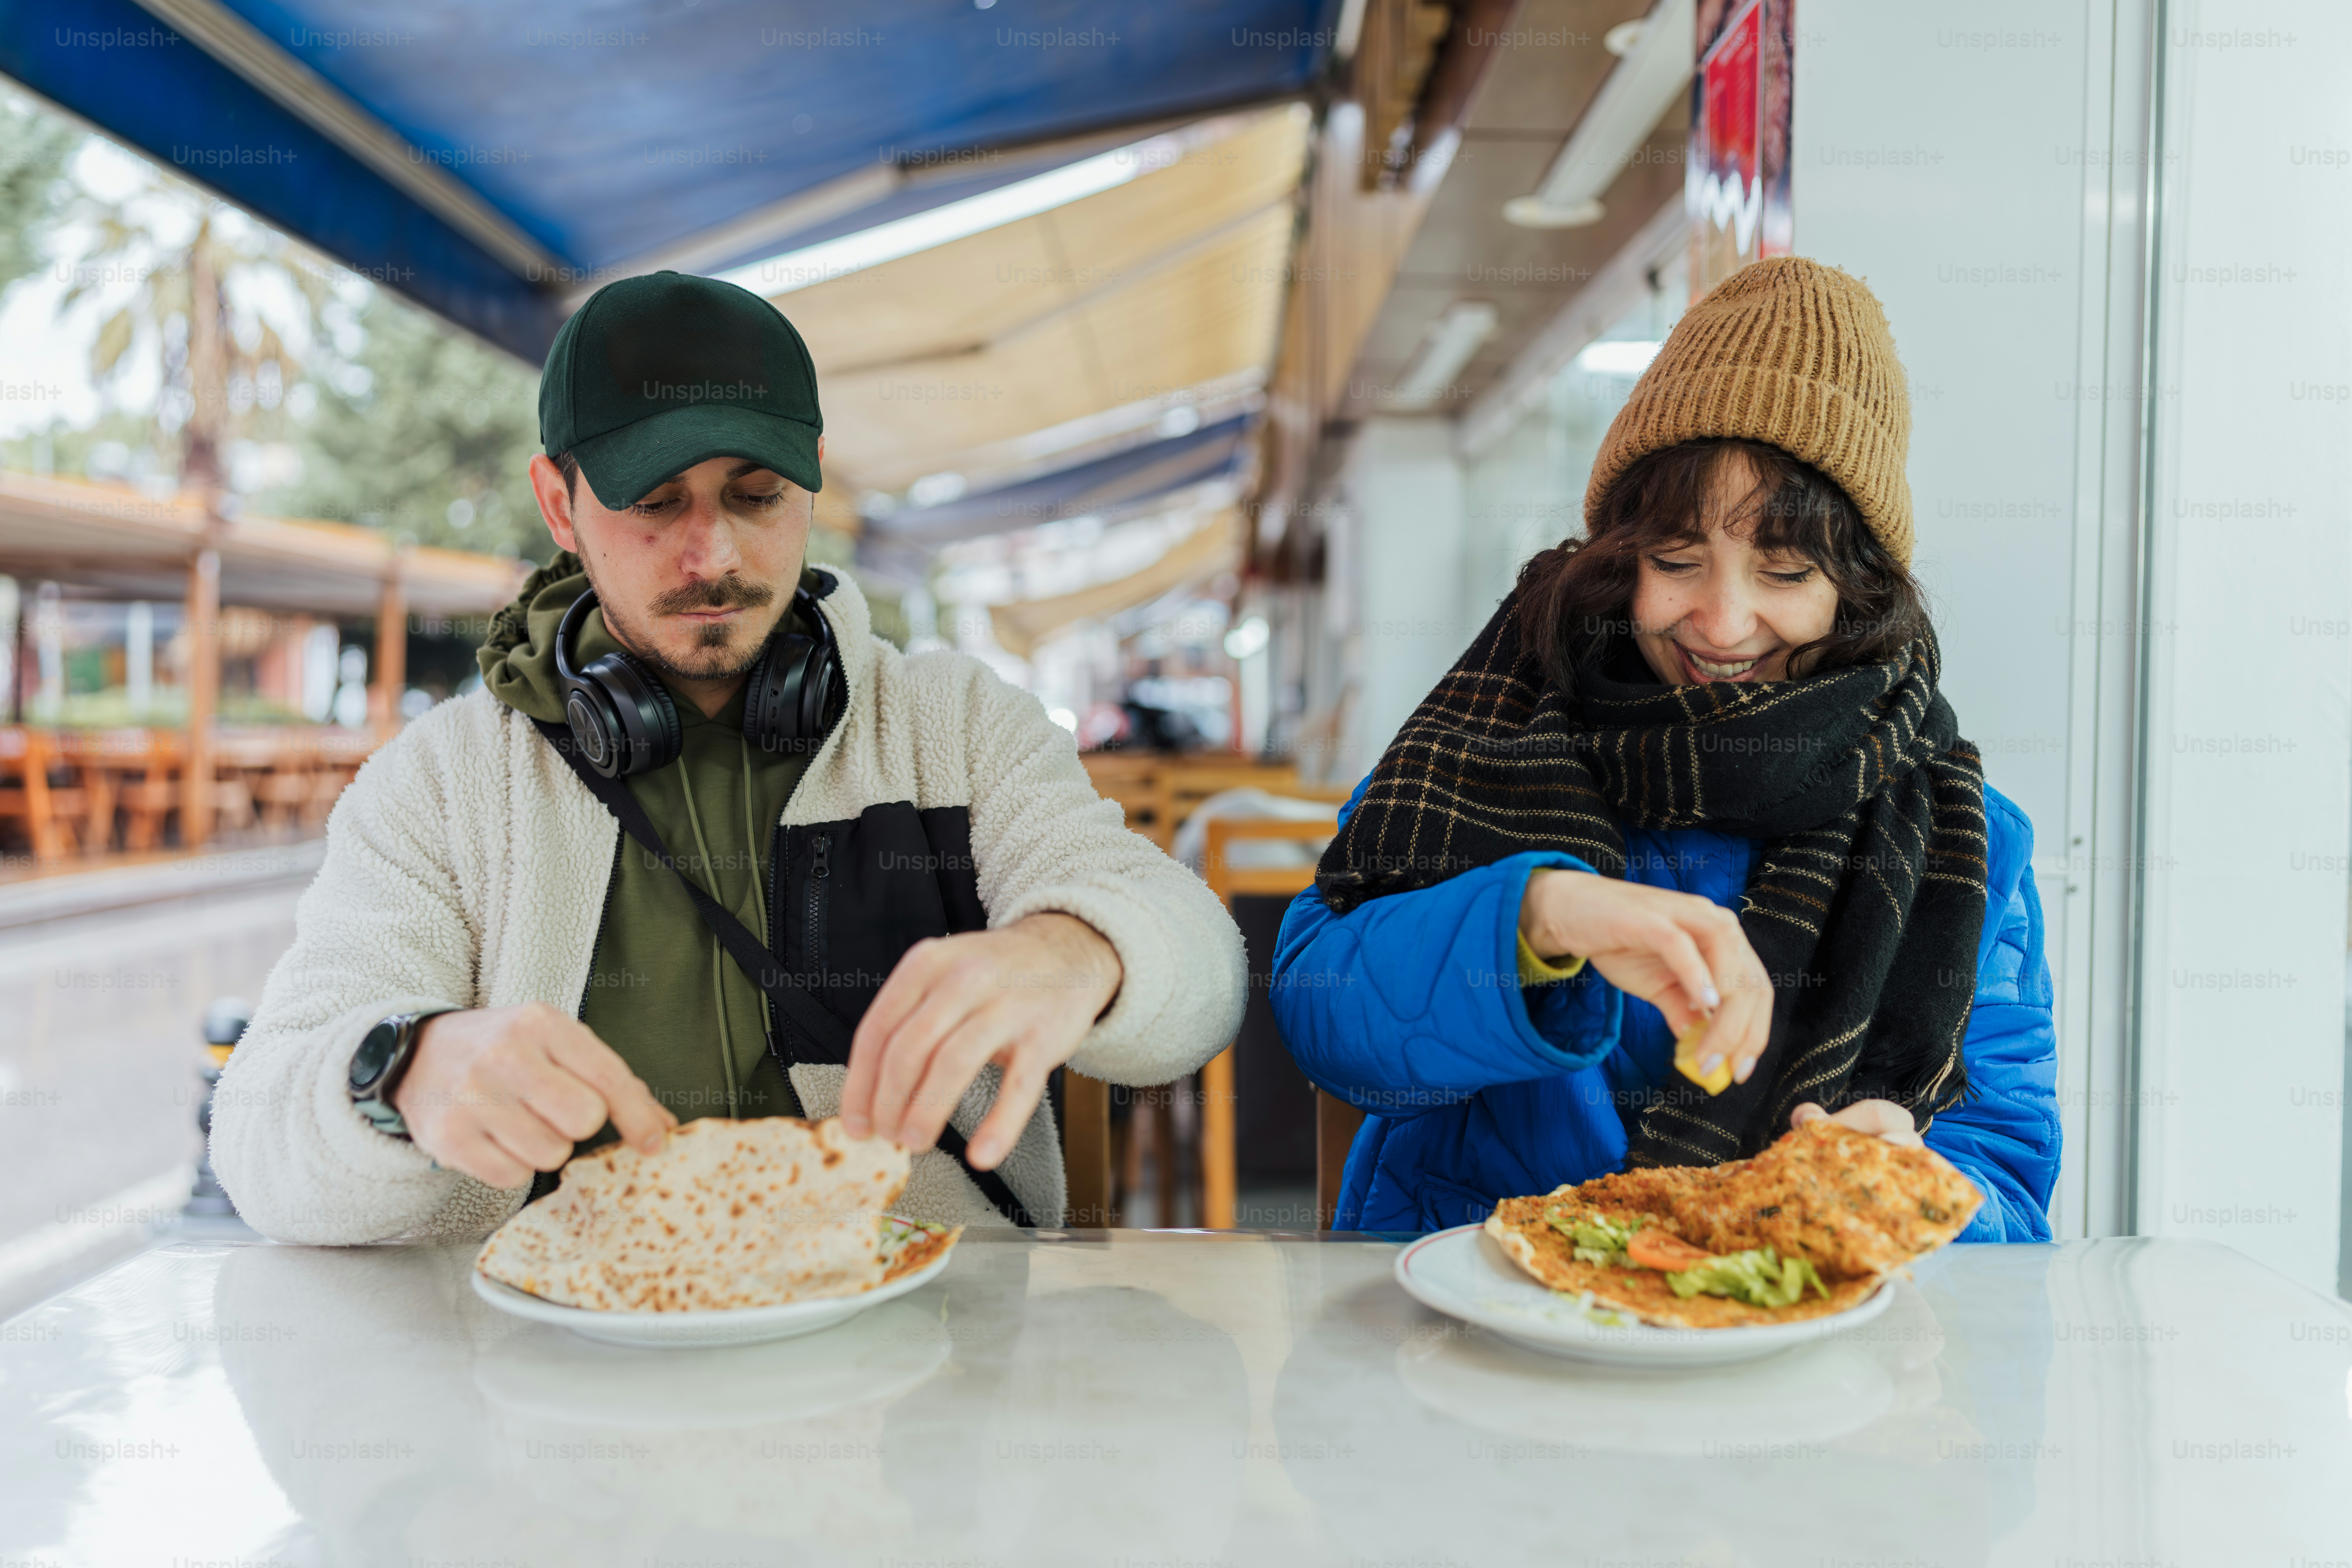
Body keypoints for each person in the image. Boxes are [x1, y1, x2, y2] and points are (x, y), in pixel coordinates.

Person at [212, 271, 1244, 1241]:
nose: (713, 556)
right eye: (655, 502)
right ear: (559, 503)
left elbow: (1204, 983)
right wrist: (402, 1072)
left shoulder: (959, 724)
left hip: (922, 1324)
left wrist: (1076, 951)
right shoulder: (439, 784)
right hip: (550, 1348)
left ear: (813, 479)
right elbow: (258, 1137)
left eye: (756, 496)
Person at [1272, 257, 2057, 1238]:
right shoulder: (1488, 734)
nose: (1722, 623)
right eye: (1678, 561)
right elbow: (1325, 1020)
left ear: (1856, 590)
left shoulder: (1962, 834)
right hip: (1472, 1293)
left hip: (1785, 1319)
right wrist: (1536, 918)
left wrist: (1905, 1191)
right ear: (1622, 561)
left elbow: (2008, 1180)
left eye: (1785, 571)